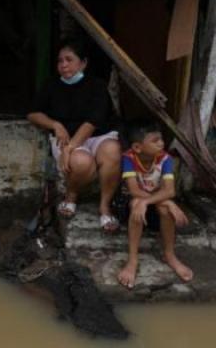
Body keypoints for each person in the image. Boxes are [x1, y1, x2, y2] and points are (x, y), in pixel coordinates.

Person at [27, 38, 121, 232]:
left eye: (69, 59)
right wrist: (55, 125)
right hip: (66, 136)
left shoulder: (97, 85)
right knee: (82, 163)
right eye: (60, 61)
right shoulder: (51, 85)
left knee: (112, 151)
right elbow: (33, 113)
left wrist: (69, 148)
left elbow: (93, 122)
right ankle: (71, 195)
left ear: (83, 63)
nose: (63, 65)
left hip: (97, 135)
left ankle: (105, 206)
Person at [117, 120, 193, 289]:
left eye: (161, 139)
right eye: (155, 141)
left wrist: (165, 202)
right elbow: (134, 190)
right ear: (137, 147)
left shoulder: (165, 159)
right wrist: (162, 200)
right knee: (137, 203)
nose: (161, 143)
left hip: (154, 206)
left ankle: (169, 254)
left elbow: (170, 191)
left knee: (165, 208)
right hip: (129, 205)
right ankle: (133, 260)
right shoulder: (129, 158)